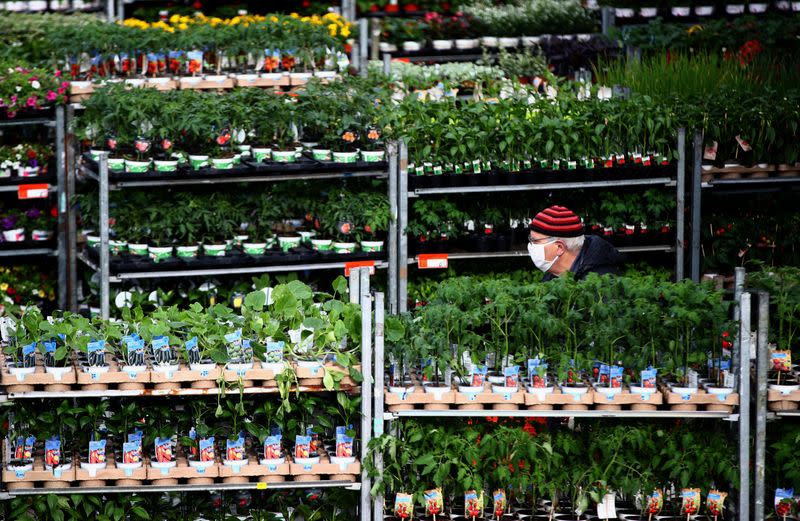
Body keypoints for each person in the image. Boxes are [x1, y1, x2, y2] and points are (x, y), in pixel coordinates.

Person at [527, 205, 621, 281]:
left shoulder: (600, 285)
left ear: (559, 247)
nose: (530, 245)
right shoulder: (554, 275)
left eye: (535, 241)